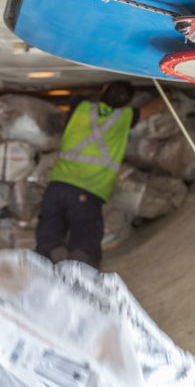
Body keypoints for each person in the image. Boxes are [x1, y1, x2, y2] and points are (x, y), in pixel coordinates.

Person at [35, 82, 164, 268]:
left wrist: (101, 91)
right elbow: (153, 108)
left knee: (48, 234)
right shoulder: (125, 116)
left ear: (103, 89)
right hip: (87, 192)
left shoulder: (81, 106)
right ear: (126, 103)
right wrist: (166, 96)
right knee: (85, 240)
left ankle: (45, 267)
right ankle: (82, 277)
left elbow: (79, 91)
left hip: (57, 186)